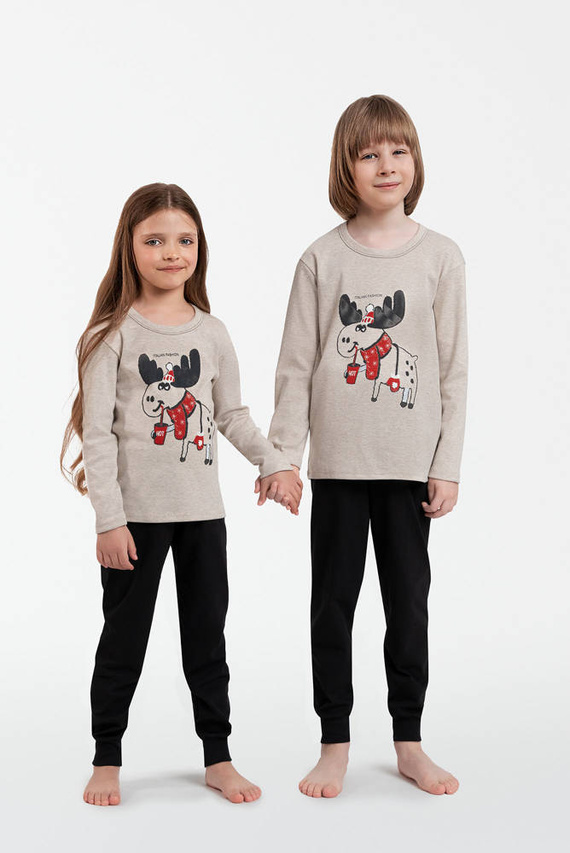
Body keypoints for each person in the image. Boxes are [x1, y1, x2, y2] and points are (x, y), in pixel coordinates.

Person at [61, 182, 302, 806]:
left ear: (200, 248)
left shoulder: (212, 333)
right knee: (123, 641)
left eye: (185, 240)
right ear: (129, 247)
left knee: (206, 640)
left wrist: (275, 463)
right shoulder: (111, 335)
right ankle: (106, 757)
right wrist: (108, 521)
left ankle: (218, 757)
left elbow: (232, 415)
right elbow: (98, 436)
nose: (172, 252)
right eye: (155, 241)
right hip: (134, 522)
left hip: (202, 518)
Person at [256, 95, 468, 797]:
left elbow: (454, 369)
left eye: (398, 150)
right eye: (369, 153)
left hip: (411, 467)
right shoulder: (321, 258)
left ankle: (409, 741)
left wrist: (446, 464)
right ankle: (335, 742)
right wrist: (282, 457)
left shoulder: (441, 257)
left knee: (408, 605)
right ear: (346, 167)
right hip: (339, 467)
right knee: (333, 606)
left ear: (415, 161)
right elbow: (295, 365)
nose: (386, 165)